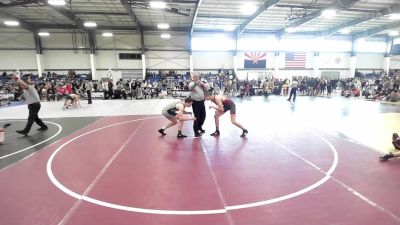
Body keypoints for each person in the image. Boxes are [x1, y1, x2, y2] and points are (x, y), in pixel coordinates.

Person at [189, 72, 207, 137]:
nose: (197, 78)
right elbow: (190, 88)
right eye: (195, 77)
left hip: (202, 101)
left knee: (203, 116)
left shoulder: (200, 83)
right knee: (197, 117)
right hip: (196, 102)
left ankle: (199, 127)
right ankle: (196, 132)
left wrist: (203, 85)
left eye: (198, 77)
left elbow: (206, 89)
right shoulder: (191, 83)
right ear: (193, 78)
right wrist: (196, 83)